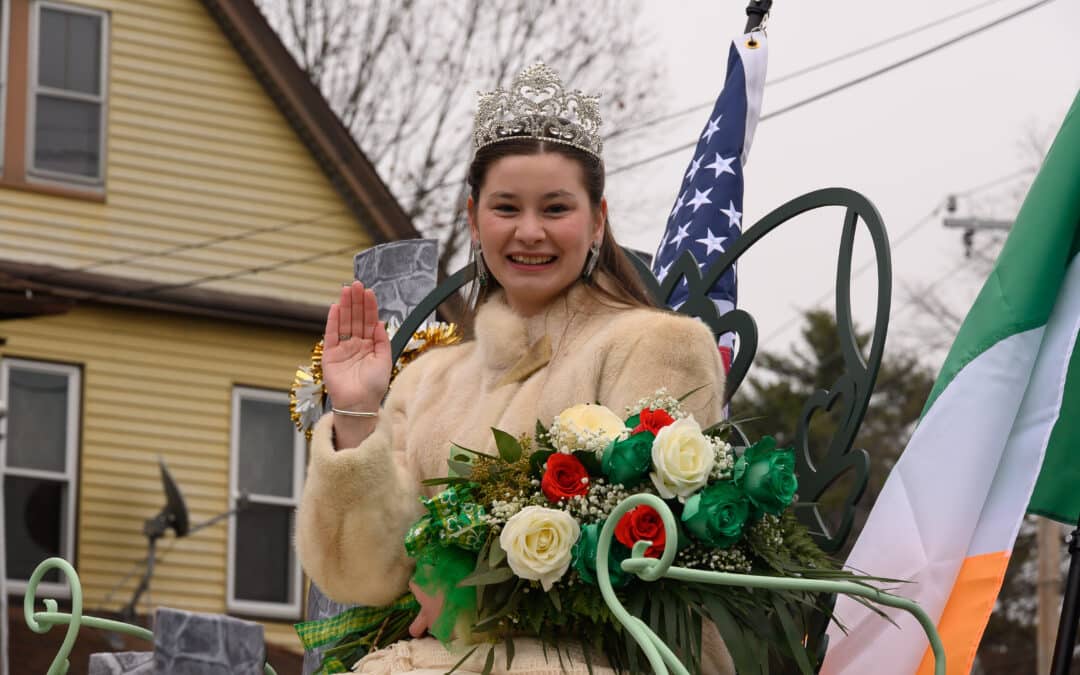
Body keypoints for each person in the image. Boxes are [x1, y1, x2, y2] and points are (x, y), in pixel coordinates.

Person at [296, 63, 733, 674]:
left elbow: (651, 555)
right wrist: (357, 413)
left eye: (555, 208)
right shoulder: (427, 381)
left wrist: (473, 589)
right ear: (474, 220)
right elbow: (364, 576)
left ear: (597, 219)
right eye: (507, 208)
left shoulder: (658, 345)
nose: (530, 232)